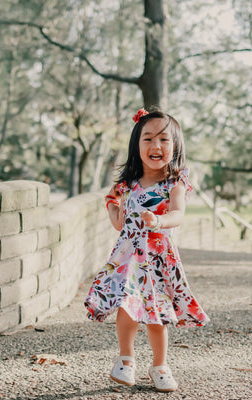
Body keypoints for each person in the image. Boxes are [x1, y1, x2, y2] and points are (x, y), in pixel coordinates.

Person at [84, 108, 209, 392]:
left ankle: (160, 365)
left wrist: (159, 220)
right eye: (148, 139)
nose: (156, 146)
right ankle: (126, 359)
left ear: (175, 146)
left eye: (164, 140)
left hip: (157, 260)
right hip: (128, 259)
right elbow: (119, 223)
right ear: (136, 146)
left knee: (157, 314)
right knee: (127, 307)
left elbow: (178, 214)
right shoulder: (127, 186)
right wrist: (112, 205)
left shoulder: (174, 183)